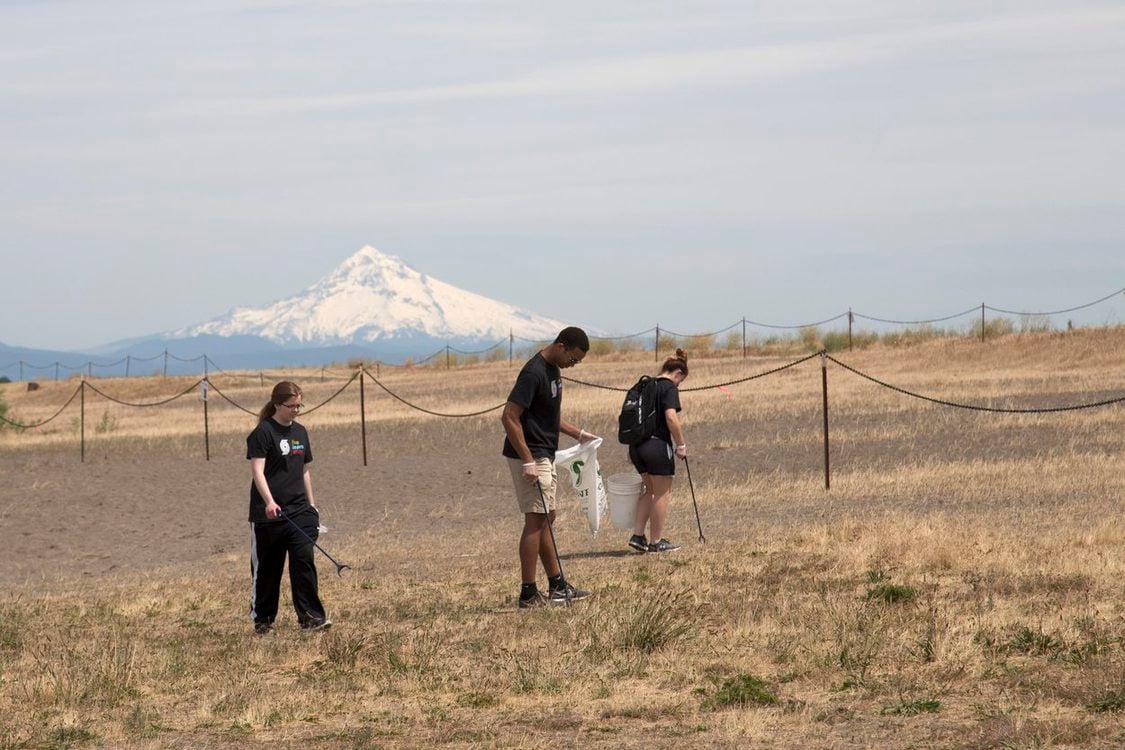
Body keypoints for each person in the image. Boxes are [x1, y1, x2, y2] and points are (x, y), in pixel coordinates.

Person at [501, 327, 599, 608]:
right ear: (560, 346)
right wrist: (528, 460)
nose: (573, 364)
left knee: (548, 517)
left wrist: (578, 433)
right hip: (530, 456)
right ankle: (528, 594)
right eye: (574, 359)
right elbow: (509, 416)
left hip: (546, 453)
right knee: (535, 521)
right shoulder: (533, 373)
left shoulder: (554, 370)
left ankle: (557, 584)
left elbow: (548, 415)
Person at [246, 381, 331, 634]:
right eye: (291, 406)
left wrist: (312, 506)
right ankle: (263, 620)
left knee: (304, 560)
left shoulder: (301, 433)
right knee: (268, 570)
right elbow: (257, 471)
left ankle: (311, 618)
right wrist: (270, 502)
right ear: (277, 404)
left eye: (299, 405)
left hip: (299, 512)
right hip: (268, 516)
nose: (296, 410)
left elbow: (305, 471)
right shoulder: (263, 433)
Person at [628, 349, 689, 553]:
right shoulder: (668, 387)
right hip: (656, 445)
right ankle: (656, 541)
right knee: (663, 493)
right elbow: (671, 417)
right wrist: (680, 444)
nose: (679, 385)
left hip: (636, 446)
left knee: (650, 490)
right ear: (678, 373)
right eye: (681, 381)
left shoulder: (645, 385)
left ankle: (638, 536)